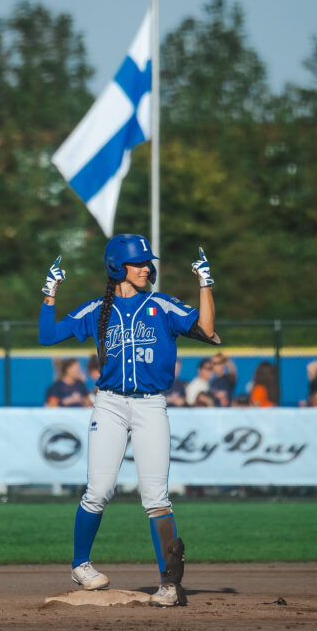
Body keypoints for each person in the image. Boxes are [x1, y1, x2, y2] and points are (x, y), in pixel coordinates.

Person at [39, 235, 221, 607]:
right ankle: (81, 565)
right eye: (137, 263)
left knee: (155, 496)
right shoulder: (95, 310)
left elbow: (207, 331)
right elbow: (47, 335)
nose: (145, 268)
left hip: (151, 405)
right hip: (108, 405)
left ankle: (169, 585)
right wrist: (50, 293)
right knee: (98, 490)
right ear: (116, 267)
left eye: (145, 262)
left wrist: (205, 284)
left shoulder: (162, 304)